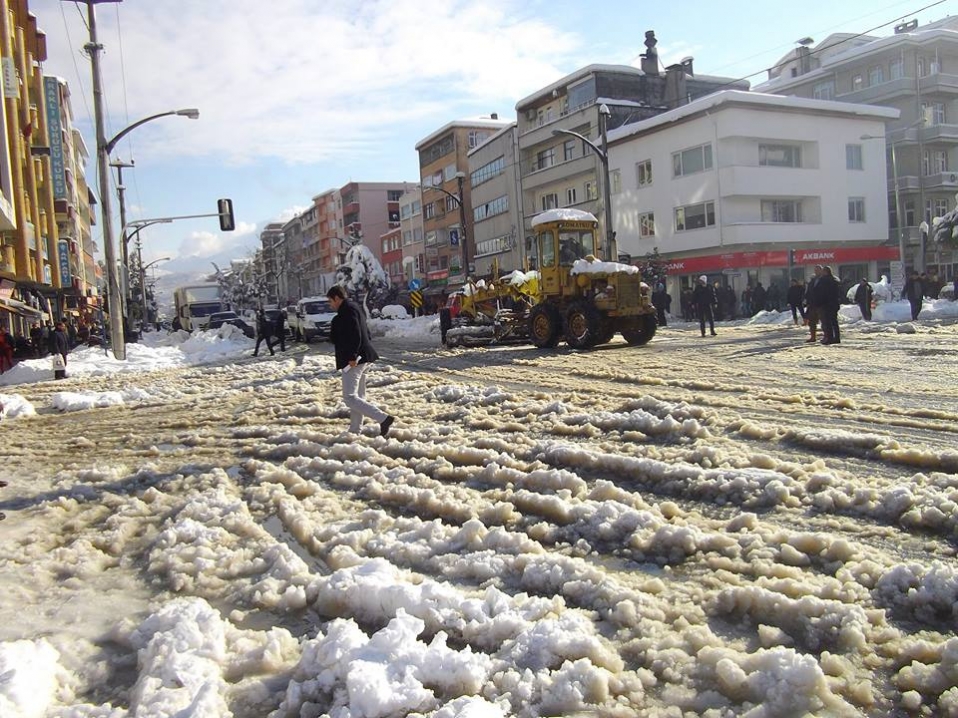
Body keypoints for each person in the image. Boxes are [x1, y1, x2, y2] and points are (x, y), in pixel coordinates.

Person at [327, 285, 394, 436]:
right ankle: (355, 429)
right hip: (364, 356)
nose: (330, 305)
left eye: (330, 301)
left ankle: (383, 418)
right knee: (358, 396)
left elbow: (355, 333)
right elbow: (365, 332)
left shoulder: (347, 311)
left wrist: (352, 356)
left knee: (349, 397)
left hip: (354, 359)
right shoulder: (354, 307)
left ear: (337, 298)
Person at [818, 266, 842, 345]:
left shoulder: (824, 280)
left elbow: (823, 293)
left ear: (826, 272)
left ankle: (830, 338)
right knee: (834, 321)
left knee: (828, 322)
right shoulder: (835, 280)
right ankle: (837, 337)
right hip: (835, 303)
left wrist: (821, 302)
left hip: (827, 304)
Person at [804, 266, 824, 343]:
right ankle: (813, 336)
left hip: (821, 304)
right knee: (812, 321)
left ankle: (827, 336)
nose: (816, 272)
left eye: (818, 270)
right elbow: (809, 291)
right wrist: (807, 299)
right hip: (812, 304)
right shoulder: (812, 280)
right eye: (815, 270)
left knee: (823, 321)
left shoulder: (824, 279)